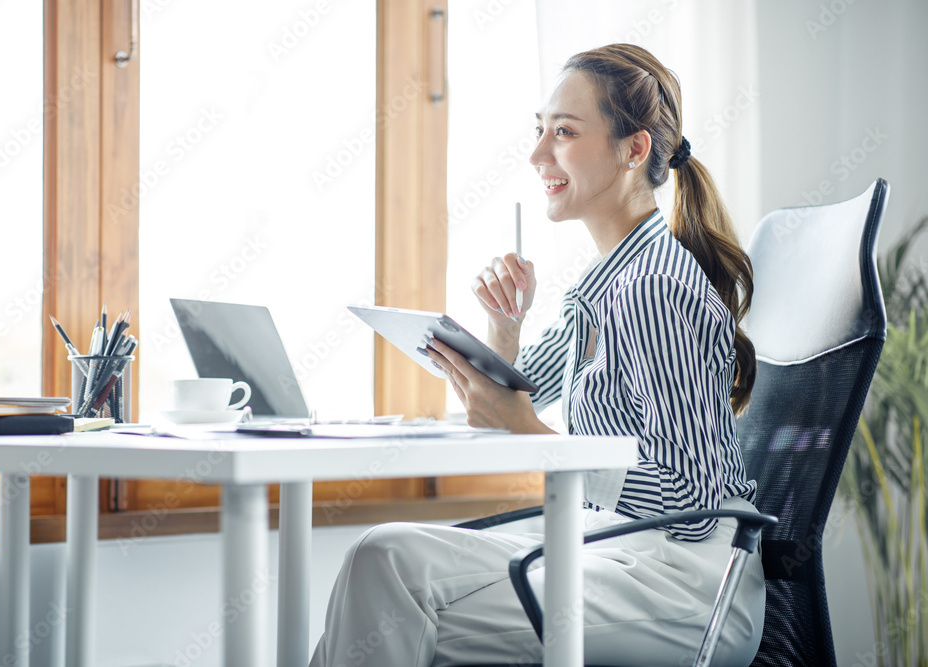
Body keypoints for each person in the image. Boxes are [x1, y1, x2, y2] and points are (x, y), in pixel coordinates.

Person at [309, 43, 764, 667]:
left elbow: (688, 500)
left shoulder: (653, 287)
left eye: (565, 133)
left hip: (683, 581)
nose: (537, 155)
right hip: (613, 544)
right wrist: (503, 327)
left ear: (634, 151)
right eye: (540, 131)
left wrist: (523, 425)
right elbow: (522, 389)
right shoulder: (603, 283)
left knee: (387, 585)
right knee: (382, 558)